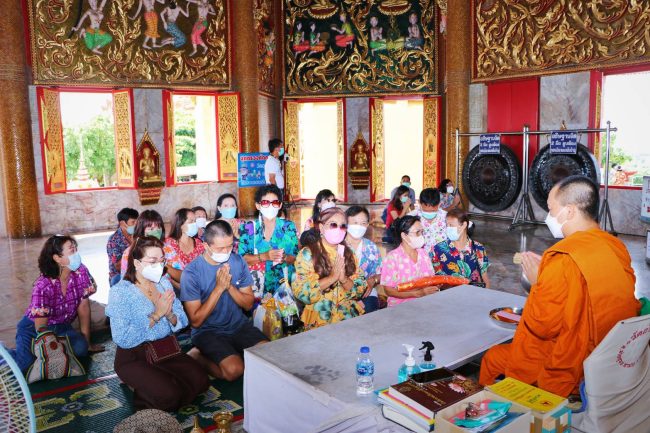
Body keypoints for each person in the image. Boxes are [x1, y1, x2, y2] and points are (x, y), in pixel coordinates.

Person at [479, 176, 641, 397]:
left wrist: (538, 283)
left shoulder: (562, 257)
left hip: (573, 366)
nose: (549, 216)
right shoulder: (615, 246)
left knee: (494, 358)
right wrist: (548, 274)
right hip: (611, 356)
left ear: (570, 211)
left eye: (551, 209)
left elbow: (542, 325)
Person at [107, 237, 208, 411]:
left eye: (162, 261)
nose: (159, 266)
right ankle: (141, 384)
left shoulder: (163, 283)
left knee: (201, 382)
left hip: (165, 350)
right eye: (153, 261)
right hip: (134, 355)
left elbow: (182, 321)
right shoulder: (120, 292)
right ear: (137, 263)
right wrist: (156, 315)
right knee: (169, 396)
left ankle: (158, 382)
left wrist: (169, 315)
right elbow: (121, 338)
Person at [181, 221, 268, 381]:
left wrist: (229, 288)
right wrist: (219, 288)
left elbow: (248, 304)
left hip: (238, 325)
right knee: (234, 370)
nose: (227, 251)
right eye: (220, 248)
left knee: (269, 355)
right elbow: (196, 321)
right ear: (206, 246)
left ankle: (232, 350)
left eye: (230, 246)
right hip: (208, 331)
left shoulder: (237, 261)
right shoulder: (191, 273)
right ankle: (196, 355)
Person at [10, 235, 104, 372]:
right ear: (57, 258)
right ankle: (7, 353)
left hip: (61, 327)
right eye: (72, 251)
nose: (76, 254)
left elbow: (83, 306)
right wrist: (49, 348)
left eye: (76, 249)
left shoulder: (81, 271)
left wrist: (87, 342)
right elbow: (40, 326)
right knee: (24, 364)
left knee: (81, 348)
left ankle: (35, 352)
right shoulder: (43, 285)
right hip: (34, 328)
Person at [293, 207, 367, 330]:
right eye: (333, 225)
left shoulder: (349, 253)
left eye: (343, 226)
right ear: (322, 228)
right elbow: (302, 293)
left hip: (347, 318)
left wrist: (344, 279)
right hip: (319, 320)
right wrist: (332, 277)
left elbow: (360, 289)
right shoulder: (307, 254)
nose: (338, 229)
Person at [239, 185, 299, 298]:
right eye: (265, 202)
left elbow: (296, 258)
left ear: (280, 205)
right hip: (257, 288)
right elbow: (242, 260)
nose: (270, 206)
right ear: (258, 205)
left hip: (283, 288)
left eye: (275, 202)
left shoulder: (288, 227)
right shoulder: (248, 228)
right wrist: (264, 256)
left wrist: (285, 257)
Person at [380, 216, 439, 307]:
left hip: (424, 304)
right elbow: (389, 291)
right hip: (400, 307)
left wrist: (435, 286)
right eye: (417, 233)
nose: (421, 236)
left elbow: (431, 280)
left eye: (422, 232)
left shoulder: (423, 254)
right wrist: (417, 293)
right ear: (404, 235)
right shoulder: (392, 258)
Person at [432, 209, 490, 287]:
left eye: (451, 225)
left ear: (464, 225)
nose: (448, 229)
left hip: (473, 295)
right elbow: (434, 280)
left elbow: (484, 278)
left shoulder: (478, 248)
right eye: (447, 225)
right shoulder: (438, 249)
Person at [345, 206, 382, 313]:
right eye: (355, 223)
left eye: (363, 223)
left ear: (367, 225)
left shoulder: (371, 247)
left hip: (366, 292)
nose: (359, 227)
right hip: (341, 293)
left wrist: (373, 280)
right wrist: (353, 299)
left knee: (370, 309)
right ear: (346, 223)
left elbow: (382, 273)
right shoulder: (338, 246)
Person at [163, 208, 205, 290]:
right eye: (191, 222)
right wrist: (180, 287)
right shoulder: (168, 245)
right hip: (175, 289)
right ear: (180, 225)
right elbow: (164, 271)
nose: (194, 224)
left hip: (199, 288)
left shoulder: (199, 244)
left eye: (195, 221)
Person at [120, 210, 166, 277]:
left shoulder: (167, 248)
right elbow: (126, 278)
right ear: (141, 230)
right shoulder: (129, 253)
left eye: (158, 228)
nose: (156, 232)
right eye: (151, 229)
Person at [106, 207, 139, 286]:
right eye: (133, 222)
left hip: (137, 269)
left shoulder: (138, 234)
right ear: (122, 224)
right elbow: (118, 267)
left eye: (137, 222)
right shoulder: (113, 241)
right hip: (119, 274)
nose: (136, 225)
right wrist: (133, 245)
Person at [414, 188, 447, 259]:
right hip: (421, 258)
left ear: (439, 204)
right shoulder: (414, 218)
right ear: (420, 203)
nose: (429, 213)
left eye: (433, 211)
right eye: (425, 210)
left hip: (443, 257)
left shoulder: (446, 217)